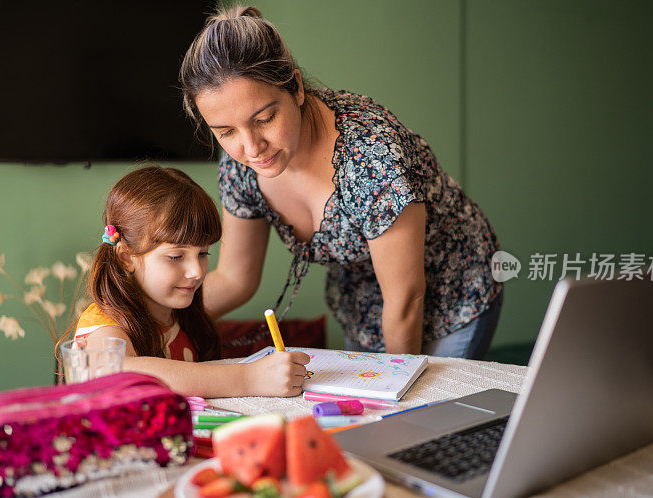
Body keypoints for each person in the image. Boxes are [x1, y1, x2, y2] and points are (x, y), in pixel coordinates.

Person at [180, 6, 503, 358]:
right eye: (226, 132)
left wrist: (399, 395)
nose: (251, 147)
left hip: (452, 289)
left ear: (297, 89)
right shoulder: (241, 166)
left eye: (266, 118)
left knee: (422, 410)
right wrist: (154, 316)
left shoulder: (374, 155)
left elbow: (406, 301)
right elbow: (234, 279)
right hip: (363, 299)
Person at [73, 166, 310, 396]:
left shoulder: (179, 314)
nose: (197, 271)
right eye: (176, 256)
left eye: (203, 253)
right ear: (126, 257)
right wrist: (249, 378)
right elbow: (112, 370)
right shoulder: (104, 321)